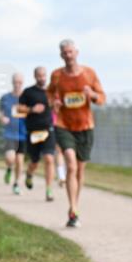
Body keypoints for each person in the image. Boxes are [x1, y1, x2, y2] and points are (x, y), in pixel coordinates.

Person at [47, 39, 105, 227]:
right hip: (64, 125)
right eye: (64, 52)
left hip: (85, 126)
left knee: (80, 170)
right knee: (70, 164)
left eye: (70, 52)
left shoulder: (89, 74)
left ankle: (75, 205)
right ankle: (73, 210)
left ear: (77, 52)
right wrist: (53, 103)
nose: (68, 55)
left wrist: (93, 95)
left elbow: (102, 98)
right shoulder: (56, 76)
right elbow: (49, 93)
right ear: (61, 55)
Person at [20, 66, 57, 202]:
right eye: (39, 76)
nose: (42, 78)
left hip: (48, 130)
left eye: (43, 75)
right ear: (35, 76)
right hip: (33, 132)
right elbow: (19, 109)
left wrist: (56, 106)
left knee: (49, 159)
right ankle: (29, 174)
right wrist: (31, 109)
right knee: (34, 161)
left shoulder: (50, 92)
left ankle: (49, 190)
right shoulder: (28, 92)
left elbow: (54, 106)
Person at [0, 73, 28, 194]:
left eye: (20, 82)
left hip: (23, 134)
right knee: (10, 158)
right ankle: (9, 168)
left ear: (22, 83)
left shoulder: (27, 98)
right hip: (9, 133)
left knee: (20, 161)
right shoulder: (6, 98)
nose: (17, 85)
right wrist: (1, 118)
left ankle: (16, 184)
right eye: (16, 82)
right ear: (12, 82)